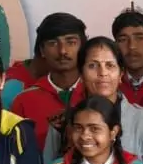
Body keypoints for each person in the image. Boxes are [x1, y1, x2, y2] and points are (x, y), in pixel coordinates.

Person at [45, 36, 143, 164]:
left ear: (121, 74)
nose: (102, 73)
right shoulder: (62, 121)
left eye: (110, 65)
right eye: (93, 66)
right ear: (81, 74)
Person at [10, 13, 89, 153]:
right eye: (53, 43)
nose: (63, 51)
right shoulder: (24, 101)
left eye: (71, 42)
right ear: (42, 50)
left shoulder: (96, 93)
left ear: (83, 47)